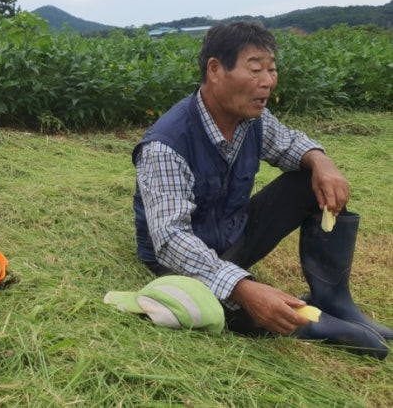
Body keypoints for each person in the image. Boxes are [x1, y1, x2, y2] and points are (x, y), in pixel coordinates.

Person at [132, 21, 391, 357]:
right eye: (256, 70)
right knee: (219, 305)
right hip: (182, 262)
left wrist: (321, 162)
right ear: (215, 69)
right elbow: (170, 241)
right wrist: (242, 287)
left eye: (272, 69)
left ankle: (333, 299)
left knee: (307, 179)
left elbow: (290, 144)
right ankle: (305, 321)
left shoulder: (252, 118)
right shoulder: (165, 145)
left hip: (234, 235)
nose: (268, 81)